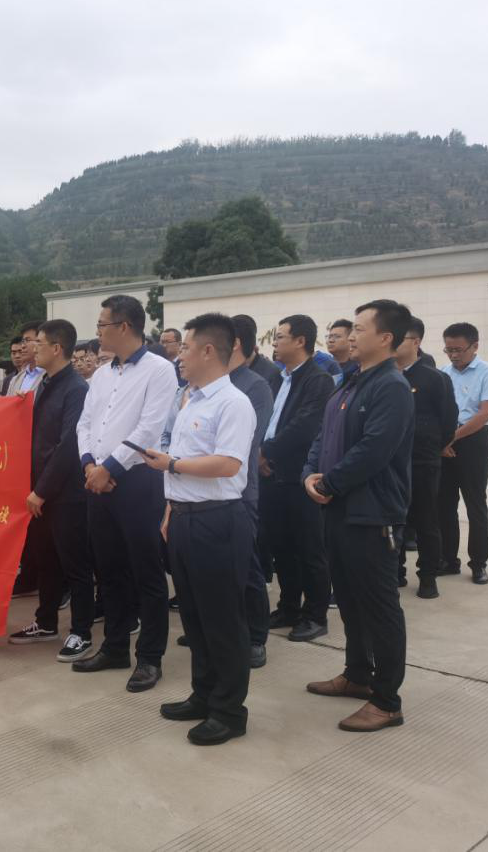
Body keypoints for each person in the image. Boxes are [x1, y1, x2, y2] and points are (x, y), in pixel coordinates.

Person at [141, 313, 256, 746]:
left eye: (185, 348)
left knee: (223, 619)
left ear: (209, 350)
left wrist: (171, 464)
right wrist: (171, 508)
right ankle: (203, 694)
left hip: (218, 520)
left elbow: (228, 463)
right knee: (195, 617)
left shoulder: (233, 403)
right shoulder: (190, 399)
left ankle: (229, 712)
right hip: (185, 517)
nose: (179, 356)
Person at [303, 299, 414, 733]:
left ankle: (387, 700)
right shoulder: (350, 381)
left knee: (379, 607)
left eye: (360, 329)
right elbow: (323, 436)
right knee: (348, 599)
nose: (351, 335)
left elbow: (374, 450)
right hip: (339, 509)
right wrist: (310, 475)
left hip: (371, 513)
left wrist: (329, 483)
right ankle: (357, 674)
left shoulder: (391, 387)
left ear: (385, 338)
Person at [72, 294, 177, 692]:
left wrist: (109, 469)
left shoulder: (159, 371)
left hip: (136, 482)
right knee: (109, 569)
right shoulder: (102, 375)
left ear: (124, 326)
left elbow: (149, 428)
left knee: (146, 571)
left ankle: (149, 657)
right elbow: (85, 423)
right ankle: (115, 646)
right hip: (97, 482)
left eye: (102, 324)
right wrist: (89, 465)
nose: (98, 331)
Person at [11, 319, 95, 661]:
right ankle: (45, 622)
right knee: (46, 560)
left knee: (75, 565)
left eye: (39, 343)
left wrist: (42, 490)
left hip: (67, 492)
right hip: (41, 490)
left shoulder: (76, 389)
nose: (32, 348)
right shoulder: (45, 383)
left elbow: (67, 446)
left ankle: (81, 632)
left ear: (57, 348)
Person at [259, 315, 334, 641]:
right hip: (272, 474)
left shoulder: (318, 380)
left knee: (309, 548)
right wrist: (262, 454)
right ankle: (289, 606)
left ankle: (315, 614)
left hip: (299, 475)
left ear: (301, 341)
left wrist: (266, 452)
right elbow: (268, 420)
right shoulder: (279, 379)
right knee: (282, 547)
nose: (275, 343)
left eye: (280, 337)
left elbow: (304, 426)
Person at [394, 318, 458, 598]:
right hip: (390, 463)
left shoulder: (435, 378)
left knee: (426, 521)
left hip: (423, 461)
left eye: (401, 338)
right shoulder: (384, 375)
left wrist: (433, 447)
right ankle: (395, 572)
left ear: (416, 342)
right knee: (393, 519)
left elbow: (448, 421)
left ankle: (428, 576)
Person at [439, 322, 488, 585]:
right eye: (449, 350)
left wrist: (451, 437)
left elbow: (484, 414)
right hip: (444, 444)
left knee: (475, 504)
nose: (453, 355)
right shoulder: (443, 373)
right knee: (444, 505)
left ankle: (478, 564)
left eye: (458, 350)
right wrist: (441, 441)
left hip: (474, 442)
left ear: (474, 346)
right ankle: (448, 560)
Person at [228, 315, 275, 668]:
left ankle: (257, 636)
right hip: (204, 491)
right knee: (217, 568)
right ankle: (227, 627)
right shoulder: (207, 383)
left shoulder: (255, 386)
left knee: (246, 567)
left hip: (239, 491)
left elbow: (249, 440)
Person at [6, 321, 45, 396]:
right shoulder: (16, 379)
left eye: (28, 340)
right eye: (23, 341)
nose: (23, 346)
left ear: (40, 341)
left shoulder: (50, 376)